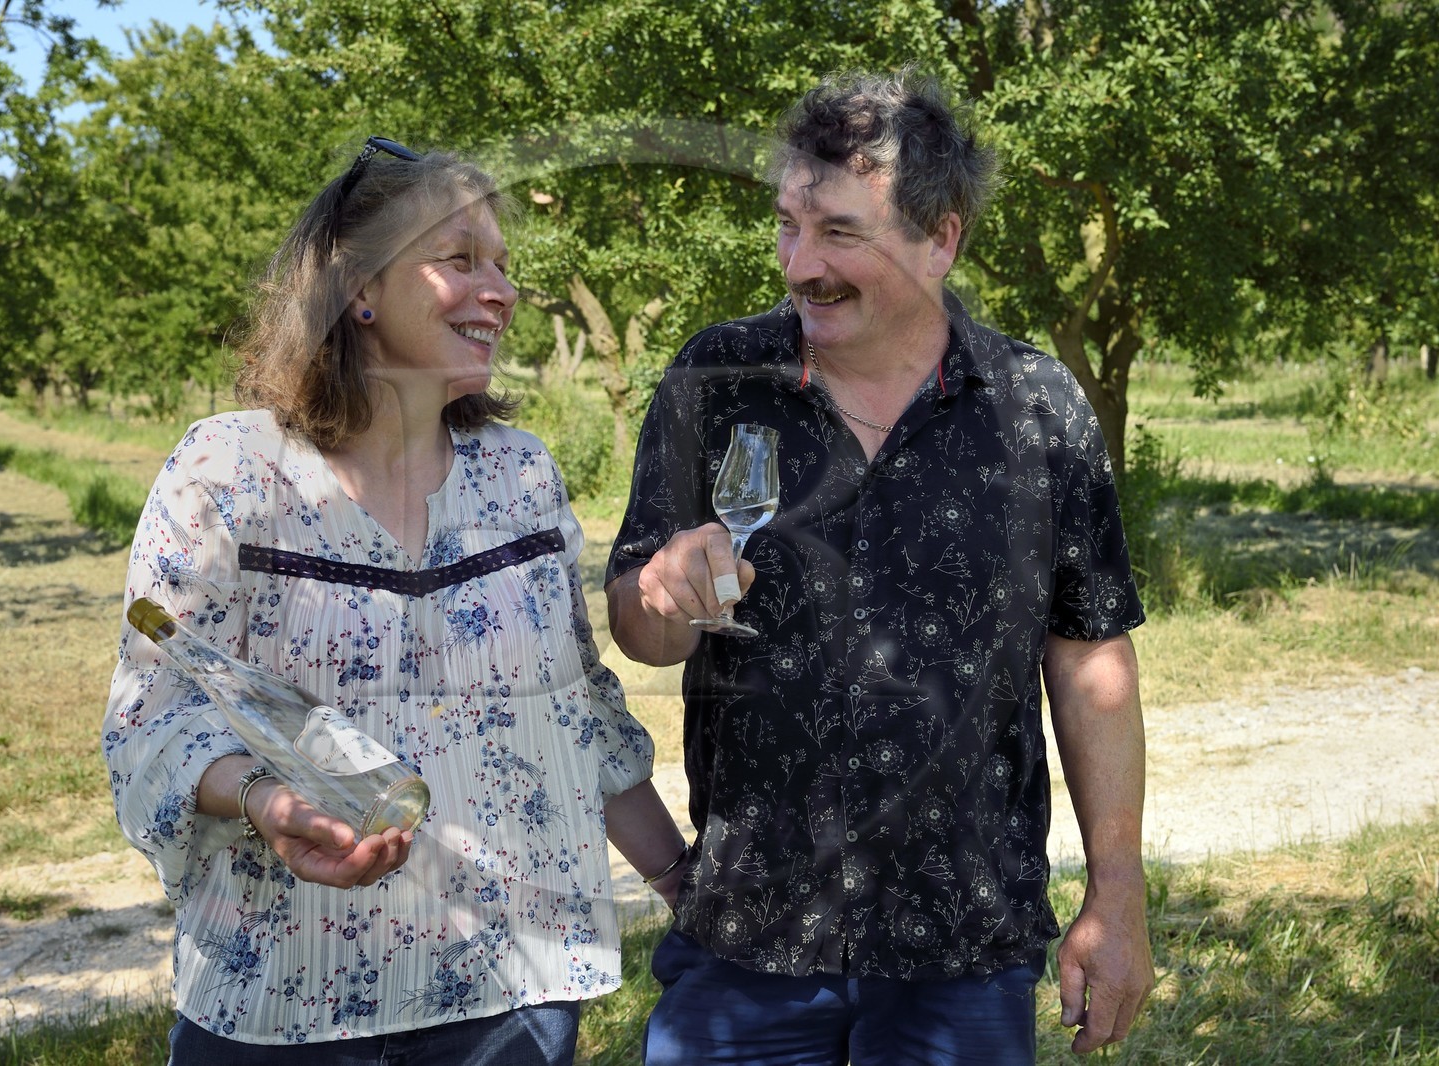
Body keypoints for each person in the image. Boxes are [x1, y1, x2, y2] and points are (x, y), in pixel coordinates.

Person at [606, 68, 1154, 1064]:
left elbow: (1090, 660)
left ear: (939, 237)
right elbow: (639, 627)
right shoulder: (716, 377)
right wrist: (661, 593)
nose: (798, 263)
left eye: (839, 233)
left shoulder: (1035, 405)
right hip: (744, 944)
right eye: (786, 225)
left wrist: (1116, 893)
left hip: (962, 948)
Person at [102, 137, 688, 1064]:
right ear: (359, 288)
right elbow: (154, 721)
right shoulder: (231, 473)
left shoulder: (520, 476)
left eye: (502, 265)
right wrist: (267, 802)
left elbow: (576, 710)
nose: (499, 290)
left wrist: (682, 885)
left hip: (511, 1002)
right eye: (459, 259)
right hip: (285, 1004)